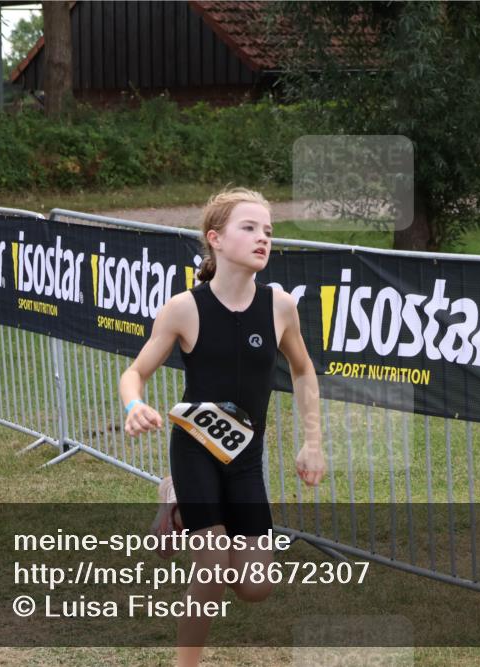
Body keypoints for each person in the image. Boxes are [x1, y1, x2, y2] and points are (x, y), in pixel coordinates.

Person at [118, 187, 325, 666]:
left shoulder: (279, 306)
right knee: (210, 571)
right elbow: (136, 372)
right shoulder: (184, 308)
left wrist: (312, 442)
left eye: (268, 231)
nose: (263, 238)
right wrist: (133, 405)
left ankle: (173, 504)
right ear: (215, 239)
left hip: (245, 459)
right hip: (194, 449)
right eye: (249, 228)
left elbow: (303, 370)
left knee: (255, 587)